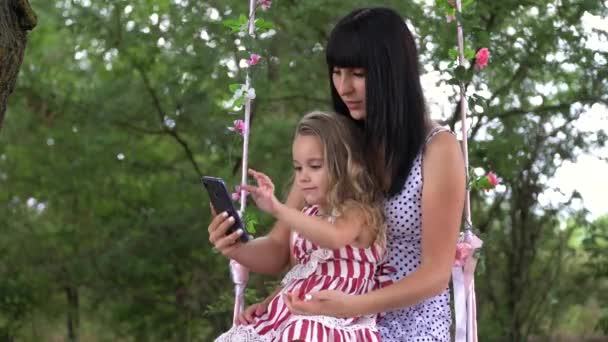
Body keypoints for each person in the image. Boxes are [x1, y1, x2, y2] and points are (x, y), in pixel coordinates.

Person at [208, 7, 466, 341]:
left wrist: (353, 306)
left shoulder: (438, 149)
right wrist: (235, 246)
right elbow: (278, 249)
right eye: (337, 72)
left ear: (393, 73)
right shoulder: (333, 148)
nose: (344, 87)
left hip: (407, 325)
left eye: (358, 73)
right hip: (327, 317)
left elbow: (435, 273)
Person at [215, 111, 387, 341]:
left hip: (334, 319)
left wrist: (279, 209)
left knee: (300, 331)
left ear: (343, 166)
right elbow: (302, 273)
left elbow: (334, 237)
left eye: (314, 166)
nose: (303, 177)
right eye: (298, 168)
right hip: (296, 311)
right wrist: (269, 303)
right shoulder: (309, 215)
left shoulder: (357, 211)